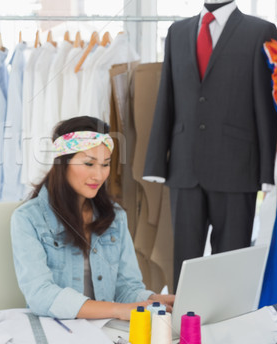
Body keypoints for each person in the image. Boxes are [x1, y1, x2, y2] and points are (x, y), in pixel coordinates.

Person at [143, 0, 277, 290]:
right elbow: (167, 96)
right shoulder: (178, 32)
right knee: (185, 261)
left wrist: (266, 172)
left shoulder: (259, 31)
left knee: (230, 261)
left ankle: (227, 328)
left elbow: (264, 103)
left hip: (237, 167)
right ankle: (183, 326)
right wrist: (156, 162)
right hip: (183, 167)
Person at [11, 116, 174, 321]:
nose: (99, 175)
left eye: (105, 164)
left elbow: (126, 288)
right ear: (63, 163)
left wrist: (155, 299)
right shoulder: (27, 219)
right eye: (89, 163)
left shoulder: (115, 217)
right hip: (57, 330)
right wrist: (116, 310)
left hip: (105, 331)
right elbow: (40, 294)